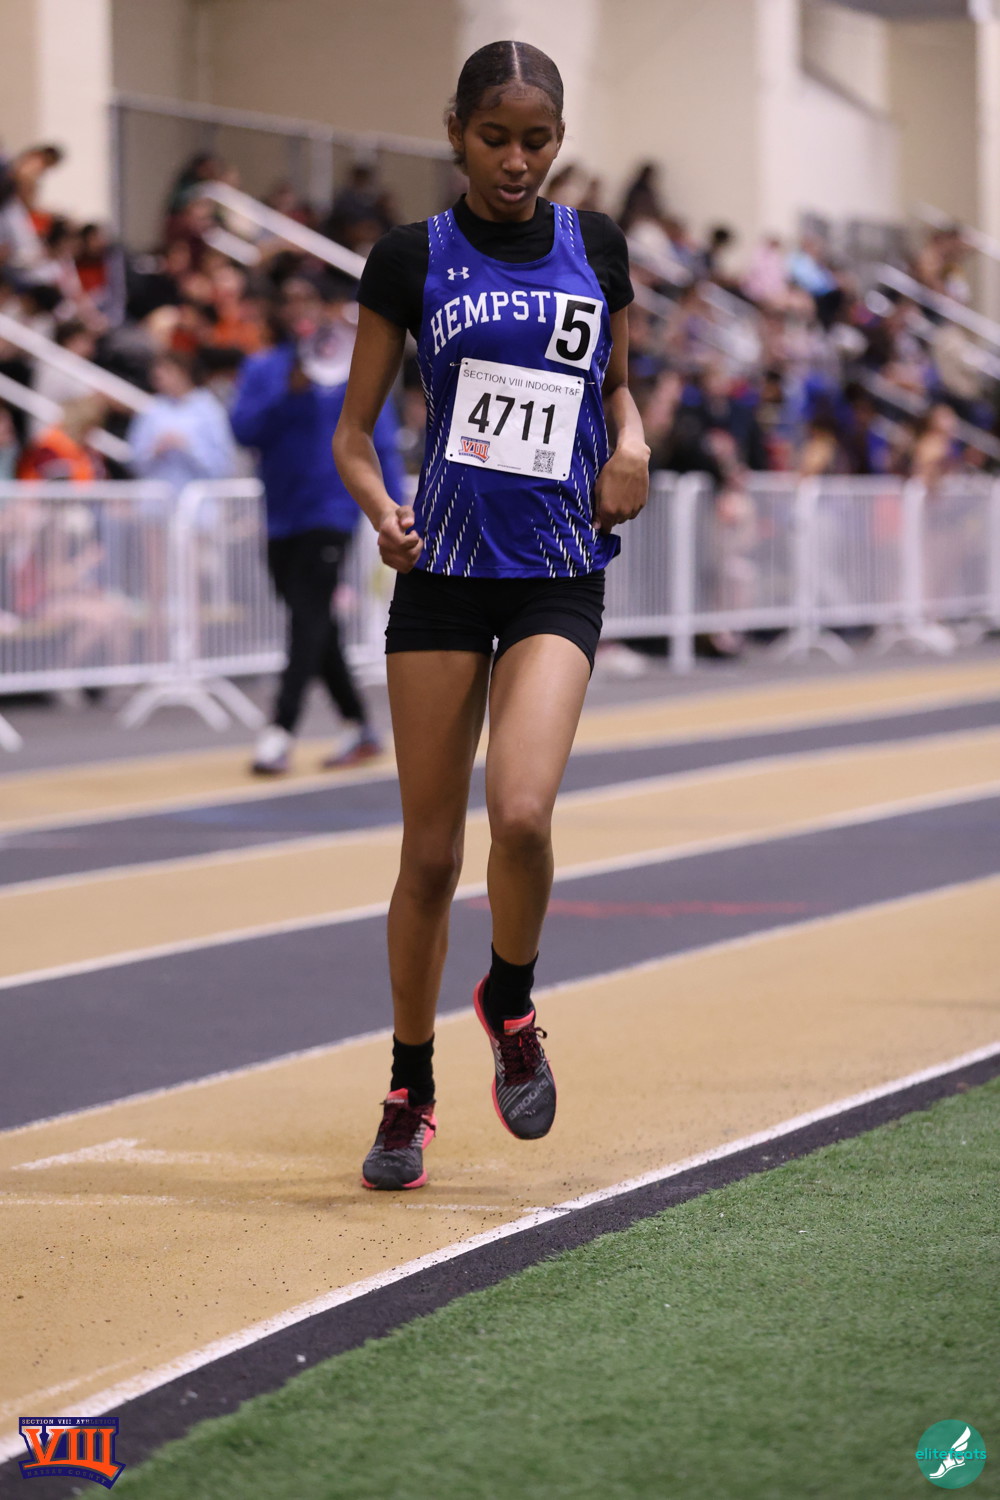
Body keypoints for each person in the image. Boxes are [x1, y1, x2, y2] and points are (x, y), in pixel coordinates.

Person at [333, 40, 648, 1190]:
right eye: (495, 139)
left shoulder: (593, 245)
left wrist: (633, 445)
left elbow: (615, 387)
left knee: (520, 814)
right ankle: (408, 1089)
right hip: (445, 574)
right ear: (456, 133)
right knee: (428, 856)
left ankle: (509, 1002)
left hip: (557, 565)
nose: (517, 161)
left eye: (537, 141)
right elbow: (353, 435)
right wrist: (381, 511)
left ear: (558, 140)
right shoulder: (410, 257)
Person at [232, 273, 403, 774]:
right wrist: (287, 394)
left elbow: (381, 441)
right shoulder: (264, 368)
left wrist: (391, 509)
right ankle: (359, 725)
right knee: (316, 622)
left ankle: (279, 730)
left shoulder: (355, 370)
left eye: (308, 300)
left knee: (307, 618)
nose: (300, 310)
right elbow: (243, 430)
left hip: (331, 511)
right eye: (290, 300)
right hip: (281, 515)